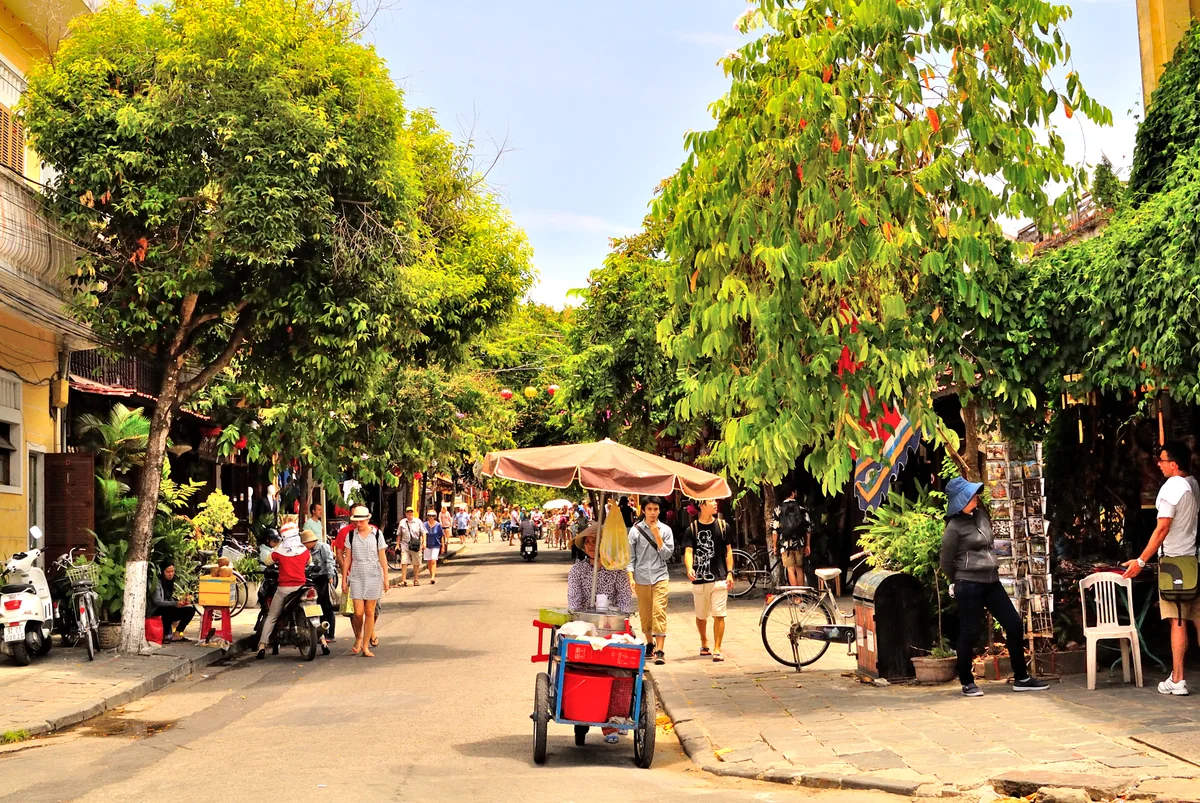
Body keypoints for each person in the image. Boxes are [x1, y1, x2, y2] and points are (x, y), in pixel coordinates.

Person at [940, 476, 1049, 696]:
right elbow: (946, 561)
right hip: (969, 584)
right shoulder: (954, 527)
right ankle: (967, 682)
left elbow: (989, 545)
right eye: (972, 496)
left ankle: (1021, 677)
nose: (976, 498)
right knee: (969, 632)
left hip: (992, 581)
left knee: (1014, 624)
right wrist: (959, 579)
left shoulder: (981, 516)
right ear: (961, 501)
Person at [1123, 440, 1200, 696]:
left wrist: (1141, 560)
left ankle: (1178, 679)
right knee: (1198, 620)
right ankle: (1176, 677)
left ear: (1174, 464)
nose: (1159, 464)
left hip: (1175, 563)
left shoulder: (1172, 487)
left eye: (1163, 460)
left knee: (1177, 621)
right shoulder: (1193, 484)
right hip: (1194, 559)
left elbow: (1162, 528)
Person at [567, 523, 634, 744]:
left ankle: (613, 722)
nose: (591, 545)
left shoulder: (618, 570)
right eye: (588, 541)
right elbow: (574, 604)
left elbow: (625, 602)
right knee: (581, 667)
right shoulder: (577, 570)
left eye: (596, 541)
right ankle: (582, 716)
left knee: (621, 671)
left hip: (613, 628)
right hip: (586, 627)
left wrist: (616, 618)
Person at [683, 499, 734, 662]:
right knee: (701, 615)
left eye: (715, 500)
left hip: (719, 577)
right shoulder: (692, 529)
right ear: (701, 506)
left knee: (719, 614)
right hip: (700, 578)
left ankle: (717, 648)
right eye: (710, 501)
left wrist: (730, 573)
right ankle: (704, 641)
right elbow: (689, 551)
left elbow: (728, 551)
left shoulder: (723, 526)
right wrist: (689, 568)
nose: (715, 503)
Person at [628, 496, 673, 665]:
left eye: (656, 509)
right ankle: (649, 643)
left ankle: (660, 650)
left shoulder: (666, 530)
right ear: (644, 510)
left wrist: (657, 535)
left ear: (659, 511)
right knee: (645, 614)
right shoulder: (635, 531)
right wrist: (631, 578)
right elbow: (631, 558)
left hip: (660, 575)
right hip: (641, 577)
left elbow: (667, 555)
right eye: (649, 509)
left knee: (659, 611)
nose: (653, 513)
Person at [258, 518, 312, 659]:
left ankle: (262, 645)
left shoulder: (279, 551)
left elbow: (267, 561)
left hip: (284, 589)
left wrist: (279, 547)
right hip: (302, 587)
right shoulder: (304, 550)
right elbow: (310, 562)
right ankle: (323, 642)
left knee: (272, 616)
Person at [341, 505, 388, 657]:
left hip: (373, 574)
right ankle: (358, 637)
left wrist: (386, 578)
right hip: (356, 575)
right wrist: (344, 579)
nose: (358, 524)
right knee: (358, 612)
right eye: (356, 521)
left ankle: (365, 645)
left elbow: (382, 557)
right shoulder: (351, 535)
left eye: (361, 521)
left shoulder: (377, 534)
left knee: (370, 611)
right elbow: (347, 558)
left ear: (367, 519)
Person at [302, 527, 336, 655]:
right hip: (312, 579)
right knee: (317, 606)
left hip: (324, 578)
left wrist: (330, 577)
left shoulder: (323, 547)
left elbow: (329, 562)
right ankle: (319, 631)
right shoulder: (307, 551)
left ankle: (330, 633)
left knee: (327, 606)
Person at [771, 487, 811, 587]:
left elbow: (775, 530)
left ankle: (796, 596)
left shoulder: (778, 509)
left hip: (785, 544)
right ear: (792, 493)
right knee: (799, 568)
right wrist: (807, 545)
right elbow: (808, 529)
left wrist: (775, 546)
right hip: (799, 543)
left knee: (790, 569)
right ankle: (802, 595)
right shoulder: (801, 509)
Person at [151, 562, 195, 643]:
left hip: (168, 608)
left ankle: (177, 634)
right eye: (168, 572)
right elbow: (157, 601)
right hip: (157, 611)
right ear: (162, 572)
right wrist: (174, 604)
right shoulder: (157, 583)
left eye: (172, 571)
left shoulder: (170, 582)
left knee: (190, 610)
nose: (170, 574)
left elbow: (169, 599)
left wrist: (181, 603)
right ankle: (165, 635)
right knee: (169, 609)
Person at [396, 506, 426, 586]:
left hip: (415, 545)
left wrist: (424, 542)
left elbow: (423, 532)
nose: (410, 514)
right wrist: (397, 544)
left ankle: (416, 579)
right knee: (404, 561)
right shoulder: (402, 522)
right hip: (405, 544)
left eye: (411, 512)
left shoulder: (418, 522)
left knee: (416, 563)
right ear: (406, 513)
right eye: (408, 512)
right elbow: (399, 534)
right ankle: (403, 580)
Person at [424, 509, 445, 584]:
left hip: (436, 544)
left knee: (433, 560)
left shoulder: (438, 525)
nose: (431, 517)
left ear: (435, 517)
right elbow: (422, 535)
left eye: (432, 516)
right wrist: (422, 543)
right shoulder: (425, 525)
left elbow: (441, 536)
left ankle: (433, 577)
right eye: (429, 516)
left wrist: (443, 546)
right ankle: (431, 575)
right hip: (427, 545)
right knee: (429, 561)